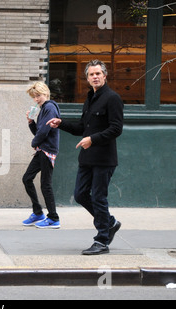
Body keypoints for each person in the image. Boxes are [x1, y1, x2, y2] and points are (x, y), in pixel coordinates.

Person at [47, 59, 123, 255]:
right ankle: (110, 222)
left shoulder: (112, 98)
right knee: (81, 194)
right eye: (91, 74)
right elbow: (82, 127)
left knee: (98, 197)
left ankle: (102, 240)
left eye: (98, 73)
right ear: (87, 78)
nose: (95, 77)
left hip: (104, 159)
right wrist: (60, 123)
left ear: (105, 76)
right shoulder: (90, 99)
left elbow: (116, 128)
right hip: (87, 158)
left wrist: (92, 139)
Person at [21, 82, 61, 229]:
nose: (36, 99)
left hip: (47, 150)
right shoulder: (44, 108)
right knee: (27, 179)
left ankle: (53, 218)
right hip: (42, 150)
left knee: (46, 184)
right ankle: (38, 213)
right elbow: (39, 131)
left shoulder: (49, 107)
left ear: (46, 93)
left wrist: (34, 142)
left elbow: (43, 132)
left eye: (38, 96)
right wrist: (31, 122)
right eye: (34, 97)